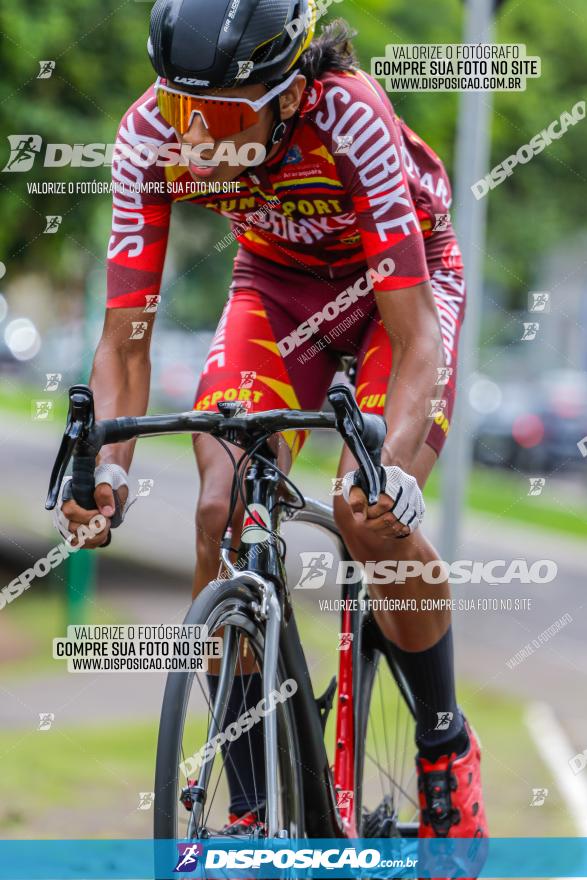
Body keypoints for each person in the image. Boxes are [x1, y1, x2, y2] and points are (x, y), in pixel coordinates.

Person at [53, 0, 488, 845]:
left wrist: (389, 471)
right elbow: (124, 337)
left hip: (396, 292)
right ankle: (251, 801)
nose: (196, 139)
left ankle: (443, 743)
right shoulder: (149, 135)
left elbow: (413, 337)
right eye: (182, 109)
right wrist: (107, 473)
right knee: (218, 507)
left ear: (288, 94)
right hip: (275, 287)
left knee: (367, 512)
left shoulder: (349, 115)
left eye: (217, 115)